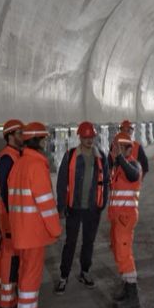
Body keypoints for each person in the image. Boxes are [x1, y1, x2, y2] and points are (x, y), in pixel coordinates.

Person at [8, 122, 61, 308]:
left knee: (24, 273)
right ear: (36, 140)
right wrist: (56, 229)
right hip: (33, 233)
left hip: (21, 231)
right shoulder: (36, 166)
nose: (47, 143)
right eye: (45, 139)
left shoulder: (19, 164)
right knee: (31, 275)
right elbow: (46, 203)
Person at [55, 121, 109, 293]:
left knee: (89, 242)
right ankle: (64, 276)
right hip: (74, 207)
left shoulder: (100, 156)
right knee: (70, 243)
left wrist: (102, 203)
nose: (89, 140)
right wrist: (61, 205)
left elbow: (105, 182)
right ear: (80, 137)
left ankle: (85, 272)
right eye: (85, 137)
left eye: (91, 136)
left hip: (93, 209)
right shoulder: (70, 155)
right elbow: (62, 181)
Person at [0, 119, 24, 308]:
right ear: (10, 136)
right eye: (19, 133)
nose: (23, 137)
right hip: (9, 216)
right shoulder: (6, 158)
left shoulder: (16, 155)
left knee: (6, 253)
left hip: (11, 214)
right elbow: (8, 192)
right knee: (11, 255)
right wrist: (17, 217)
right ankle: (7, 301)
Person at [108, 132, 142, 308]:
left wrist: (120, 158)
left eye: (123, 147)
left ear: (130, 148)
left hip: (126, 218)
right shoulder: (117, 168)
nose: (119, 151)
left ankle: (132, 296)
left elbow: (134, 175)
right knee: (118, 253)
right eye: (117, 147)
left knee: (124, 254)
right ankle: (126, 286)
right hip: (117, 218)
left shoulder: (133, 165)